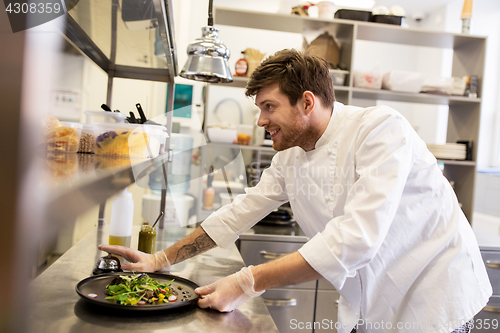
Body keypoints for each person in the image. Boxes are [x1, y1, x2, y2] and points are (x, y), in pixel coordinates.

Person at [99, 49, 492, 333]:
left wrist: (247, 281)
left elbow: (355, 239)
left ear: (306, 102)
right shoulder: (290, 156)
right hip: (369, 297)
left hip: (432, 295)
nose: (260, 120)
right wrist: (162, 260)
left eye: (268, 107)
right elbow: (240, 212)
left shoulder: (380, 129)